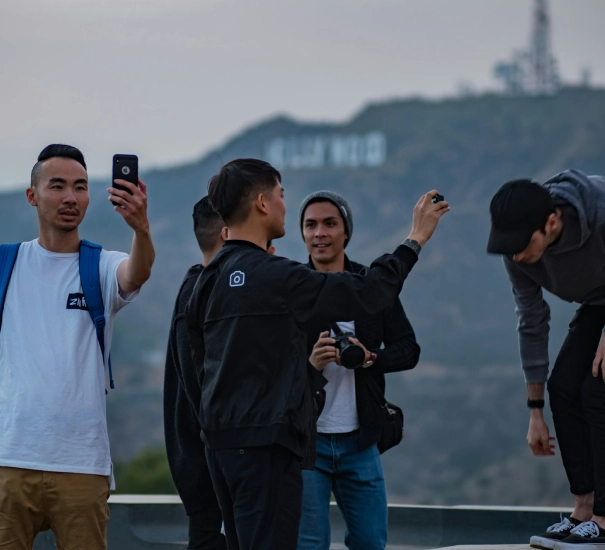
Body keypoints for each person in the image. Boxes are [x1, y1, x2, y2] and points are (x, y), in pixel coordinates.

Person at [186, 158, 448, 550]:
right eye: (281, 195)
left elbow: (195, 372)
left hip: (220, 449)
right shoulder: (278, 276)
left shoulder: (206, 280)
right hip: (269, 450)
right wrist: (415, 239)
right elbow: (368, 292)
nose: (283, 205)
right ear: (261, 203)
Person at [0, 144, 155, 549]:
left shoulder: (101, 265)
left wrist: (141, 228)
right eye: (58, 186)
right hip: (10, 459)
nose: (71, 197)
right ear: (33, 195)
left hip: (81, 464)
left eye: (81, 187)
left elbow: (137, 273)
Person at [486, 170, 605, 550]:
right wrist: (535, 410)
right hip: (601, 299)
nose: (516, 255)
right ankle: (585, 511)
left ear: (551, 222)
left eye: (521, 244)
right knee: (564, 387)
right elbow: (532, 322)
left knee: (600, 392)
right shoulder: (515, 250)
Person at [296, 191, 420, 550]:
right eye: (311, 224)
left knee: (370, 542)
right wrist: (312, 364)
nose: (320, 233)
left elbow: (409, 349)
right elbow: (270, 365)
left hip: (361, 440)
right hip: (308, 442)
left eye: (330, 223)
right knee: (309, 545)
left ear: (346, 232)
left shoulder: (371, 287)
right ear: (302, 234)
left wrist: (371, 358)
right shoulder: (291, 287)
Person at [164, 196, 228, 549]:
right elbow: (200, 391)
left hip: (207, 466)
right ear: (226, 233)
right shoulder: (200, 299)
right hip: (210, 470)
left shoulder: (197, 289)